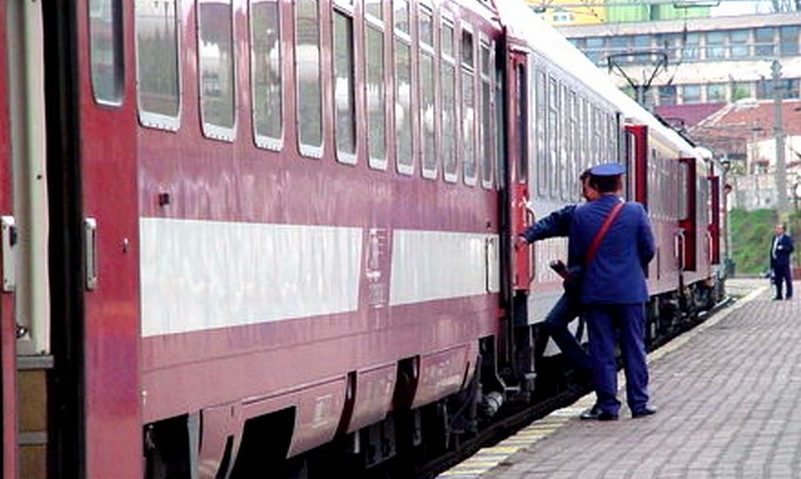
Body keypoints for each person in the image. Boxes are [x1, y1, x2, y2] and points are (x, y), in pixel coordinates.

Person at [568, 163, 656, 420]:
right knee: (634, 347)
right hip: (630, 292)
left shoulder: (582, 215)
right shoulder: (635, 211)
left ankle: (608, 405)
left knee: (602, 350)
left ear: (593, 186)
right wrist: (631, 270)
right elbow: (648, 248)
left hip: (597, 293)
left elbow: (576, 256)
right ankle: (639, 403)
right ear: (619, 185)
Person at [514, 170, 598, 379]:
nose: (582, 193)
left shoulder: (618, 214)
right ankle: (590, 369)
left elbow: (553, 222)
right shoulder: (582, 213)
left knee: (602, 336)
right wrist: (527, 236)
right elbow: (553, 222)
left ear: (595, 189)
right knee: (554, 322)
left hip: (598, 288)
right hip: (580, 286)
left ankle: (604, 387)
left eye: (585, 188)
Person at [770, 223, 794, 300]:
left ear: (783, 230)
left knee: (787, 279)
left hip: (784, 263)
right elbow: (772, 249)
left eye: (778, 228)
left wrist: (783, 248)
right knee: (778, 280)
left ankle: (789, 295)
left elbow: (791, 248)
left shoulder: (787, 238)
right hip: (776, 263)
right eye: (776, 228)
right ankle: (779, 295)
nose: (776, 230)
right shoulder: (775, 238)